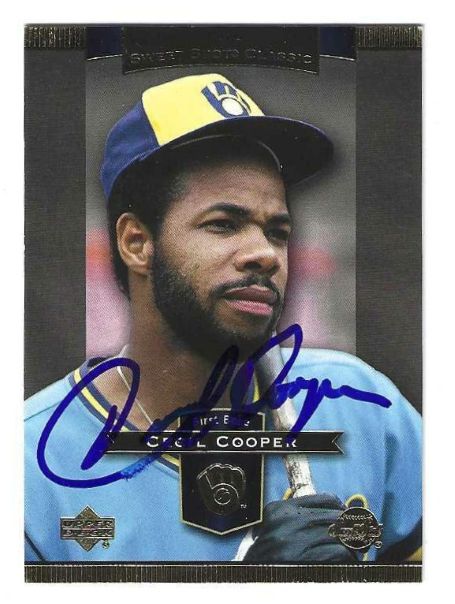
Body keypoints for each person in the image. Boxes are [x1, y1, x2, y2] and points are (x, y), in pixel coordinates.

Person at [25, 73, 421, 563]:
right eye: (223, 224)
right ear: (136, 243)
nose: (265, 254)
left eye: (277, 232)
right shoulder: (30, 464)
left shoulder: (364, 406)